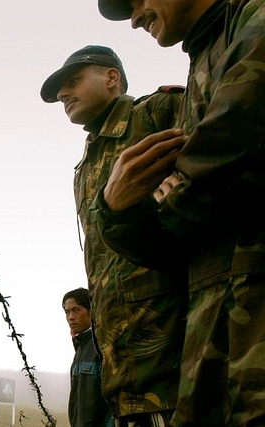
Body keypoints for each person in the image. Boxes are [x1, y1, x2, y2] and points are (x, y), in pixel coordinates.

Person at [94, 1, 265, 425]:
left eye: (137, 1)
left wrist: (173, 193)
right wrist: (115, 210)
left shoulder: (252, 18)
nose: (134, 18)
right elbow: (176, 249)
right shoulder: (204, 59)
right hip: (211, 345)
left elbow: (237, 129)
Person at [40, 45, 188, 426]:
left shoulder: (156, 114)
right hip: (122, 372)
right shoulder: (86, 164)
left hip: (176, 356)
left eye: (73, 81)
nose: (62, 94)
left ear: (111, 78)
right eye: (60, 90)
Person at [62, 288, 113, 427]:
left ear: (92, 311)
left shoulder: (101, 346)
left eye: (76, 310)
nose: (70, 317)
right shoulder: (80, 349)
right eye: (67, 312)